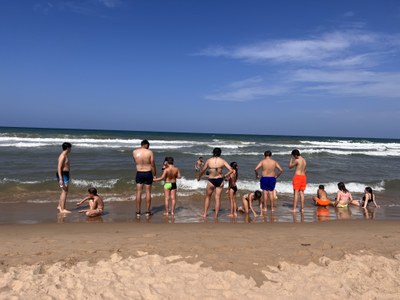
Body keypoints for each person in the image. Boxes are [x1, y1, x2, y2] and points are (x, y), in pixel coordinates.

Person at [197, 148, 233, 218]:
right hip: (220, 180)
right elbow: (231, 170)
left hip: (211, 180)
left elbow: (203, 170)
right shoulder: (222, 161)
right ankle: (216, 215)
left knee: (208, 197)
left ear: (213, 152)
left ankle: (204, 214)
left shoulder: (209, 160)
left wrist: (199, 177)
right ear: (220, 153)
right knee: (217, 198)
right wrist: (225, 175)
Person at [132, 139, 156, 217]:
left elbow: (135, 161)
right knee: (148, 192)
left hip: (139, 173)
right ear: (145, 145)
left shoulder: (134, 152)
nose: (148, 147)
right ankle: (147, 212)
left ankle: (138, 212)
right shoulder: (150, 152)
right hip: (148, 172)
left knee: (139, 192)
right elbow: (152, 164)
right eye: (148, 146)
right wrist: (154, 174)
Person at [56, 142, 72, 213]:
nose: (71, 149)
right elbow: (59, 168)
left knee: (63, 191)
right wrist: (61, 179)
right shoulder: (62, 156)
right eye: (70, 148)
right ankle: (62, 209)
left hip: (65, 174)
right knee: (65, 191)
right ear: (68, 148)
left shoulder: (65, 155)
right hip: (63, 174)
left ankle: (59, 206)